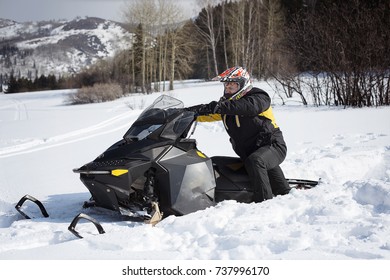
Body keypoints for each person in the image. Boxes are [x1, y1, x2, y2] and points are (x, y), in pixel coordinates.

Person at [187, 66, 291, 202]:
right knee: (282, 191)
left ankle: (264, 203)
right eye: (227, 87)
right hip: (251, 154)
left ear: (242, 85)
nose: (228, 90)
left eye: (232, 87)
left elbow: (248, 107)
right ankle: (285, 195)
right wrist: (185, 113)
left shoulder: (259, 97)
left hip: (273, 146)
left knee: (256, 161)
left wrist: (219, 107)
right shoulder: (227, 106)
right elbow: (209, 114)